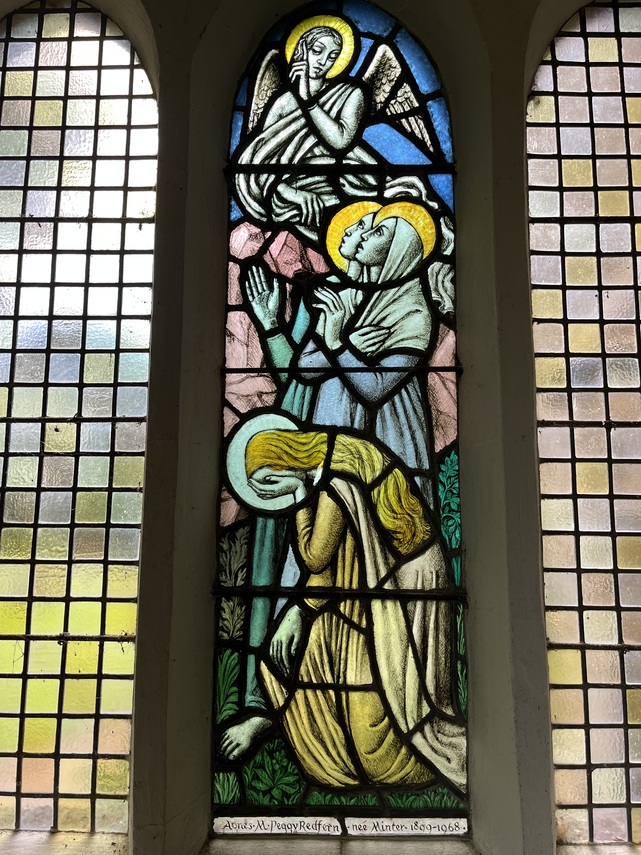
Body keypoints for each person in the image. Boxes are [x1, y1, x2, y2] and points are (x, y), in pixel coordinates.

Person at [218, 202, 381, 760]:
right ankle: (265, 704)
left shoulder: (388, 299)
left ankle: (348, 704)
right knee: (277, 565)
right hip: (301, 436)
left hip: (349, 440)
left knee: (338, 566)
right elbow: (299, 370)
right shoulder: (324, 295)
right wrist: (271, 325)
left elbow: (372, 380)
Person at [226, 422, 466, 792]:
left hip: (402, 588)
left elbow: (315, 556)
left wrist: (298, 494)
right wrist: (302, 609)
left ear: (286, 461)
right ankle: (272, 719)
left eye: (270, 482)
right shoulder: (337, 463)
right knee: (293, 662)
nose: (270, 495)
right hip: (367, 593)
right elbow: (332, 564)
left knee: (381, 745)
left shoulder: (334, 479)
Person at [299, 201, 437, 504]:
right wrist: (347, 345)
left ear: (399, 249)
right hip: (332, 419)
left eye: (378, 232)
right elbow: (304, 368)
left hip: (389, 433)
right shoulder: (347, 298)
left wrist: (338, 345)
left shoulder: (414, 314)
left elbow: (375, 389)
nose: (364, 235)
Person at [234, 19, 382, 240]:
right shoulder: (283, 102)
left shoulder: (351, 94)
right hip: (291, 197)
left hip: (349, 184)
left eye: (332, 56)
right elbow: (262, 160)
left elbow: (340, 141)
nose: (323, 61)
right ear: (302, 51)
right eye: (317, 51)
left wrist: (307, 100)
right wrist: (293, 193)